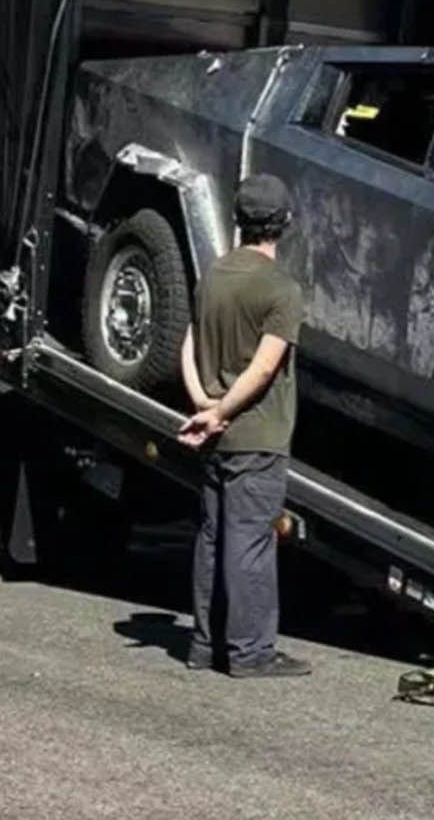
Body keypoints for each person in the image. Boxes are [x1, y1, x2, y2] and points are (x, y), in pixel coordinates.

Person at [178, 173, 311, 678]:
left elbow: (187, 345)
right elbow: (263, 368)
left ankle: (203, 645)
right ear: (285, 224)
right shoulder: (282, 290)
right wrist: (225, 411)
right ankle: (250, 652)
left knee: (212, 538)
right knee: (250, 542)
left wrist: (203, 404)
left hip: (215, 435)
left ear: (238, 220)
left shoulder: (211, 276)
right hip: (257, 434)